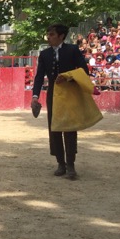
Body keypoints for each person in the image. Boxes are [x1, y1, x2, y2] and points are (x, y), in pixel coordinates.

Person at [31, 23, 90, 179]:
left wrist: (68, 76)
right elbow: (39, 77)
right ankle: (60, 163)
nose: (48, 37)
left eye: (51, 34)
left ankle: (70, 164)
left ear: (61, 36)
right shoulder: (44, 54)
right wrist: (35, 96)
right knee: (54, 127)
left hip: (69, 92)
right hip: (53, 94)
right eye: (48, 34)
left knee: (69, 128)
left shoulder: (72, 50)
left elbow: (84, 70)